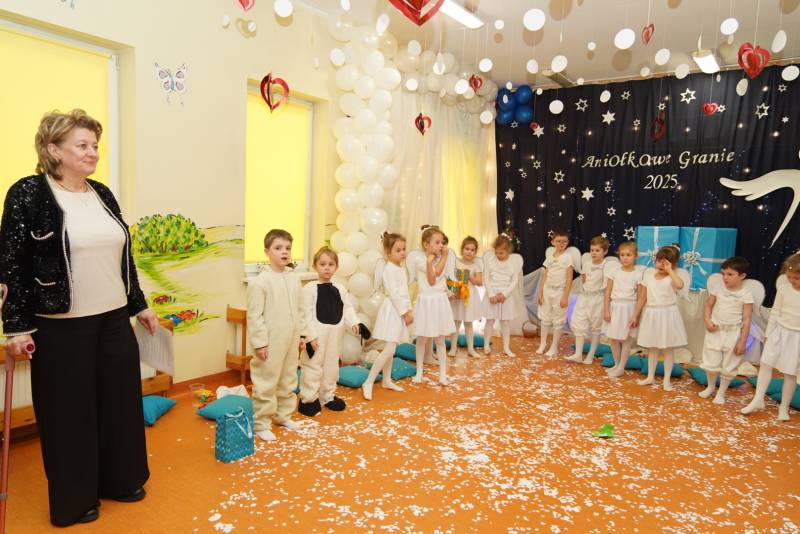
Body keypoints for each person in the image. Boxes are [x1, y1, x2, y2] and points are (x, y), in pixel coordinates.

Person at [0, 109, 158, 527]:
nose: (93, 152)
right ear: (54, 150)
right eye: (82, 145)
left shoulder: (101, 193)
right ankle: (75, 499)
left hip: (113, 319)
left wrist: (139, 305)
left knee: (119, 404)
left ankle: (121, 479)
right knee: (69, 414)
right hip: (60, 324)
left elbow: (123, 257)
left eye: (95, 145)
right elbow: (12, 263)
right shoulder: (29, 193)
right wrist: (15, 326)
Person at [246, 229, 308, 441]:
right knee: (266, 381)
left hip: (291, 338)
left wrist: (302, 335)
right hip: (270, 341)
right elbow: (254, 316)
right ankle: (261, 423)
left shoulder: (294, 279)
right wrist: (260, 343)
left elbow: (301, 309)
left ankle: (283, 415)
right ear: (267, 251)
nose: (284, 252)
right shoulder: (260, 282)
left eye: (288, 248)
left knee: (288, 378)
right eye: (278, 248)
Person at [298, 246, 360, 416]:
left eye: (331, 264)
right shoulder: (309, 289)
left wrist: (354, 322)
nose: (327, 268)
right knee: (312, 366)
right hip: (316, 336)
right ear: (315, 266)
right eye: (322, 264)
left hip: (335, 335)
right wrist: (310, 336)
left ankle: (327, 396)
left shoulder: (340, 288)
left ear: (336, 267)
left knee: (331, 366)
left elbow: (347, 308)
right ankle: (308, 399)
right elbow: (305, 314)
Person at [742, 253, 800, 421]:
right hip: (779, 332)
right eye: (789, 277)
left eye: (796, 278)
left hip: (796, 336)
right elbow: (775, 312)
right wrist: (768, 334)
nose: (792, 281)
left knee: (790, 373)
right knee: (766, 364)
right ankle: (758, 399)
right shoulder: (784, 289)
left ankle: (784, 407)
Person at [698, 257, 754, 404]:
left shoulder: (746, 294)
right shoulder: (718, 288)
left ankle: (721, 393)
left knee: (729, 365)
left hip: (733, 333)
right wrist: (707, 320)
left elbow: (747, 319)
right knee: (711, 361)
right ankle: (710, 387)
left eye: (730, 274)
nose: (725, 277)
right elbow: (708, 306)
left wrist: (742, 342)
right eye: (723, 274)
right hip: (715, 330)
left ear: (742, 276)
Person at [633, 245, 689, 391]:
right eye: (659, 261)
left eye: (666, 263)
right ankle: (650, 377)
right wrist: (635, 315)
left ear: (673, 264)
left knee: (668, 349)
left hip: (668, 314)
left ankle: (666, 380)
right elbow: (642, 298)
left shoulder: (673, 277)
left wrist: (670, 271)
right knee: (652, 348)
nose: (661, 265)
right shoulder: (648, 275)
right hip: (652, 314)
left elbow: (680, 285)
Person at [364, 232, 411, 400]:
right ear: (388, 252)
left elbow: (405, 291)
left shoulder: (400, 268)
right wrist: (405, 312)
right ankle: (368, 381)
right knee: (389, 348)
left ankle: (386, 380)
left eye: (404, 249)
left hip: (400, 310)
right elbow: (393, 293)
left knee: (392, 347)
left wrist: (409, 309)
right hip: (393, 310)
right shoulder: (388, 270)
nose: (402, 253)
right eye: (398, 250)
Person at [411, 226, 454, 385]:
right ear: (426, 244)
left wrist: (448, 291)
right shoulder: (420, 260)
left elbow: (443, 279)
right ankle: (419, 372)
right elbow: (432, 279)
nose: (441, 245)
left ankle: (442, 374)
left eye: (442, 242)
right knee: (422, 339)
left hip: (439, 301)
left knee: (440, 340)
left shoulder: (442, 258)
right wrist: (438, 259)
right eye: (437, 242)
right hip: (426, 302)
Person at [603, 242, 646, 378]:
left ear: (635, 256)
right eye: (622, 255)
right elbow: (607, 292)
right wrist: (606, 310)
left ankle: (622, 367)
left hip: (629, 308)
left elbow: (640, 297)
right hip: (615, 306)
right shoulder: (614, 271)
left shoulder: (638, 274)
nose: (625, 258)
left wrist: (636, 316)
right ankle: (616, 364)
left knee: (626, 339)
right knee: (613, 339)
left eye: (628, 255)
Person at [567, 236, 610, 364]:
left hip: (598, 299)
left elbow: (607, 285)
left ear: (605, 251)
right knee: (578, 323)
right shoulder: (586, 264)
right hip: (585, 297)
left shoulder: (606, 266)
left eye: (597, 250)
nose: (594, 253)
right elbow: (584, 280)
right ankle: (578, 354)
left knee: (596, 328)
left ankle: (590, 355)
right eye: (592, 250)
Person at [537, 230, 574, 356]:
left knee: (558, 320)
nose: (561, 243)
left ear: (567, 243)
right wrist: (540, 293)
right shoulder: (550, 256)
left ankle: (554, 347)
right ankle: (542, 344)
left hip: (559, 292)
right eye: (558, 241)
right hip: (547, 290)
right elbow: (545, 276)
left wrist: (565, 296)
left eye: (564, 241)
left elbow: (569, 278)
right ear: (553, 242)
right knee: (545, 318)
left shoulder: (568, 257)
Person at [483, 234, 521, 357]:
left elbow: (514, 280)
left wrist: (505, 294)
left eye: (501, 253)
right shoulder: (490, 260)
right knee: (490, 321)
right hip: (492, 293)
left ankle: (506, 348)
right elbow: (486, 278)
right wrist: (491, 294)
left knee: (505, 323)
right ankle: (486, 345)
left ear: (508, 250)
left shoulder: (512, 263)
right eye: (497, 252)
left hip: (506, 295)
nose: (498, 255)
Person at [448, 236, 484, 358]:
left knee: (468, 323)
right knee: (456, 322)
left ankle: (470, 349)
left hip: (470, 297)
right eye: (467, 249)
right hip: (458, 296)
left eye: (472, 250)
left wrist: (469, 276)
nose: (469, 252)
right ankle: (453, 348)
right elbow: (450, 277)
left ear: (475, 252)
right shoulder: (456, 262)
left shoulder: (476, 265)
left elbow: (480, 282)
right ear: (462, 249)